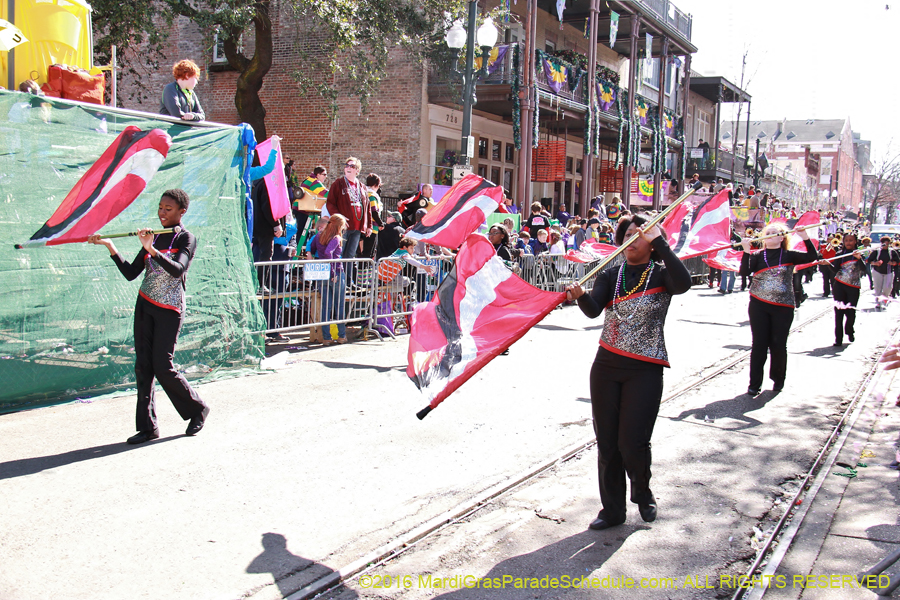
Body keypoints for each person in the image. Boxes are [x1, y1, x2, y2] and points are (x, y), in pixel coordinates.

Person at [565, 214, 691, 530]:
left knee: (633, 442)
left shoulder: (662, 274)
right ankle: (612, 510)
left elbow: (684, 284)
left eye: (641, 234)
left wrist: (659, 239)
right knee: (607, 444)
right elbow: (594, 310)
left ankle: (643, 490)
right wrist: (580, 296)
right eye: (628, 234)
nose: (633, 239)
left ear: (652, 242)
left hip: (645, 368)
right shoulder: (610, 274)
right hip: (606, 366)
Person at [88, 190, 209, 444]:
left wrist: (152, 250)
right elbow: (132, 273)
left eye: (168, 209)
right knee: (143, 367)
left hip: (170, 310)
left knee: (163, 366)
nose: (162, 213)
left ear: (181, 212)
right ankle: (147, 427)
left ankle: (197, 409)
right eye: (160, 208)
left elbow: (178, 270)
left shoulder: (186, 238)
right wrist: (111, 247)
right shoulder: (153, 238)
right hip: (145, 306)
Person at [739, 222, 816, 395]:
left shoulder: (789, 255)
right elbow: (744, 272)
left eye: (776, 232)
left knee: (778, 344)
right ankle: (754, 384)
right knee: (759, 344)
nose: (772, 234)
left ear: (782, 238)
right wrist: (746, 250)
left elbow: (812, 257)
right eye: (769, 232)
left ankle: (778, 379)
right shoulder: (758, 255)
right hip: (759, 304)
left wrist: (804, 236)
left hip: (783, 306)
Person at [326, 157, 370, 285]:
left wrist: (368, 225)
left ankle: (348, 281)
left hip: (356, 227)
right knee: (339, 253)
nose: (348, 168)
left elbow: (367, 207)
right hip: (342, 227)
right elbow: (330, 203)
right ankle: (338, 280)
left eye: (352, 166)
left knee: (350, 256)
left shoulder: (362, 186)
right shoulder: (338, 184)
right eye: (347, 165)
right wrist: (339, 218)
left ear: (357, 170)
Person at [310, 214, 349, 345]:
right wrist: (333, 273)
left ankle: (326, 337)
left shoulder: (318, 236)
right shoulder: (336, 238)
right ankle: (341, 335)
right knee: (340, 306)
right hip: (336, 272)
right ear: (339, 226)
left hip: (323, 273)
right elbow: (328, 253)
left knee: (326, 307)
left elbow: (312, 249)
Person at [821, 232, 866, 346]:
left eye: (851, 240)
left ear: (855, 241)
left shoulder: (858, 254)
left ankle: (849, 331)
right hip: (839, 286)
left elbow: (864, 269)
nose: (848, 243)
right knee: (838, 313)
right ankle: (838, 339)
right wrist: (827, 263)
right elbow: (835, 270)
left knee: (851, 312)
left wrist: (859, 258)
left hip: (853, 287)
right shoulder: (840, 254)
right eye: (846, 241)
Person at [868, 236, 898, 310]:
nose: (886, 245)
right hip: (877, 271)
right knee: (878, 287)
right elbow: (869, 260)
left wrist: (893, 263)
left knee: (887, 288)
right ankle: (878, 302)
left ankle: (885, 299)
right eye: (884, 244)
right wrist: (876, 263)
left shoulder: (892, 252)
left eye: (887, 244)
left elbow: (897, 261)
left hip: (888, 272)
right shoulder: (876, 251)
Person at [361, 173, 385, 260]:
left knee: (364, 253)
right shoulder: (371, 196)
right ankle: (365, 273)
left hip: (364, 226)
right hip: (372, 227)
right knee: (368, 254)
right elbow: (374, 211)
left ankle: (363, 272)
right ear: (376, 185)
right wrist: (380, 223)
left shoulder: (364, 193)